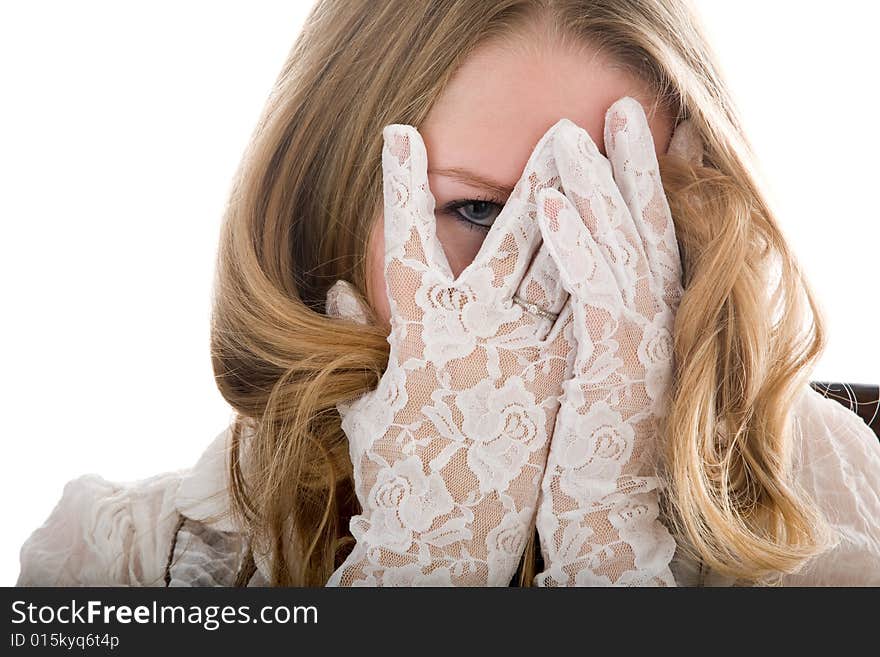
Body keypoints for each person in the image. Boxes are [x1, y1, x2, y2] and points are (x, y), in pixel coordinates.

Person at [16, 0, 880, 587]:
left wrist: (609, 550)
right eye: (475, 210)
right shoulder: (132, 561)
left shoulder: (828, 507)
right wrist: (423, 563)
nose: (562, 288)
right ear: (329, 217)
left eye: (619, 218)